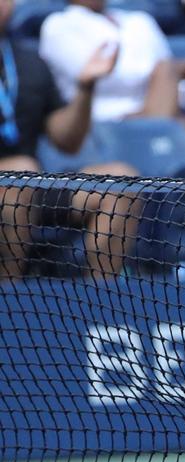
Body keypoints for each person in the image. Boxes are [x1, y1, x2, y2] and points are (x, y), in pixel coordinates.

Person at [0, 0, 140, 281]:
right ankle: (10, 303)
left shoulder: (28, 62)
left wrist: (86, 87)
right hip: (18, 181)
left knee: (121, 183)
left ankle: (102, 306)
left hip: (29, 184)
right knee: (18, 178)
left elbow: (67, 141)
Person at [38, 0, 180, 122]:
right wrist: (162, 76)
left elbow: (176, 87)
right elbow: (95, 77)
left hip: (159, 111)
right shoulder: (58, 24)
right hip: (98, 125)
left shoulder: (141, 20)